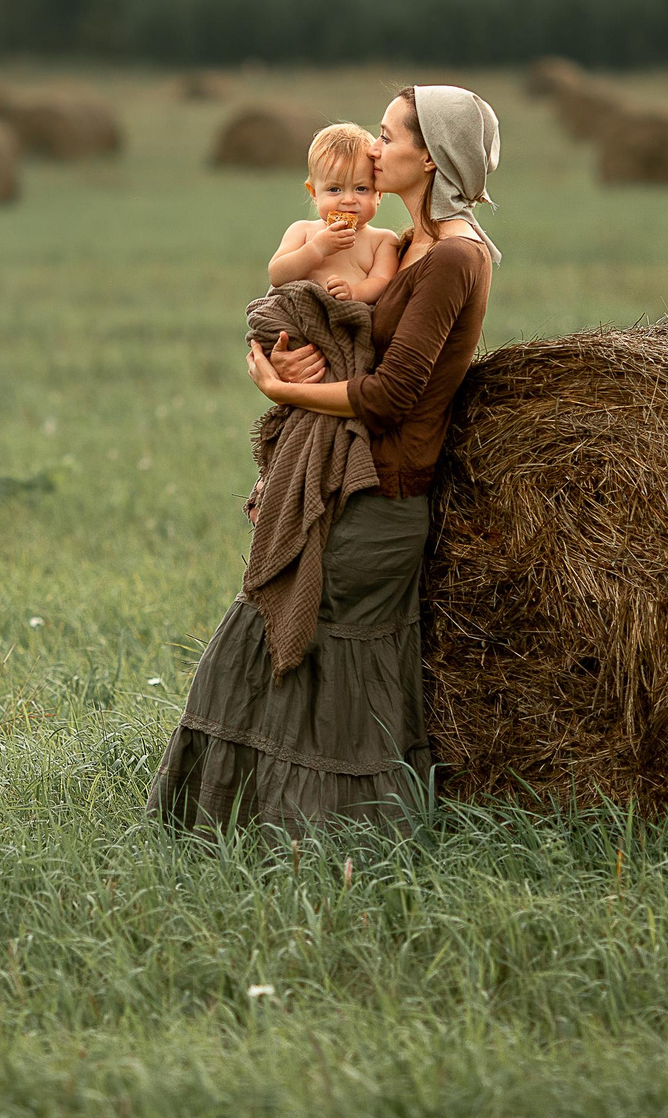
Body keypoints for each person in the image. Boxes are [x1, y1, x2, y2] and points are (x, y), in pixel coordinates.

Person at [150, 85, 500, 834]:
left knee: (316, 653)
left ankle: (333, 840)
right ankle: (255, 829)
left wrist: (286, 390)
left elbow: (390, 394)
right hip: (348, 476)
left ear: (430, 157)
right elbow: (353, 343)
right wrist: (302, 357)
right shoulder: (413, 245)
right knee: (287, 643)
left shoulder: (453, 259)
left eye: (389, 136)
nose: (374, 149)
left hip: (381, 490)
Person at [264, 122, 402, 305]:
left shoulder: (383, 241)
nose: (348, 200)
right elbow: (277, 275)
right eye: (335, 189)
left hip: (345, 317)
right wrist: (317, 248)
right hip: (299, 311)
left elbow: (382, 282)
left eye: (361, 189)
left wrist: (354, 292)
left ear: (378, 195)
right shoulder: (302, 232)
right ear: (314, 193)